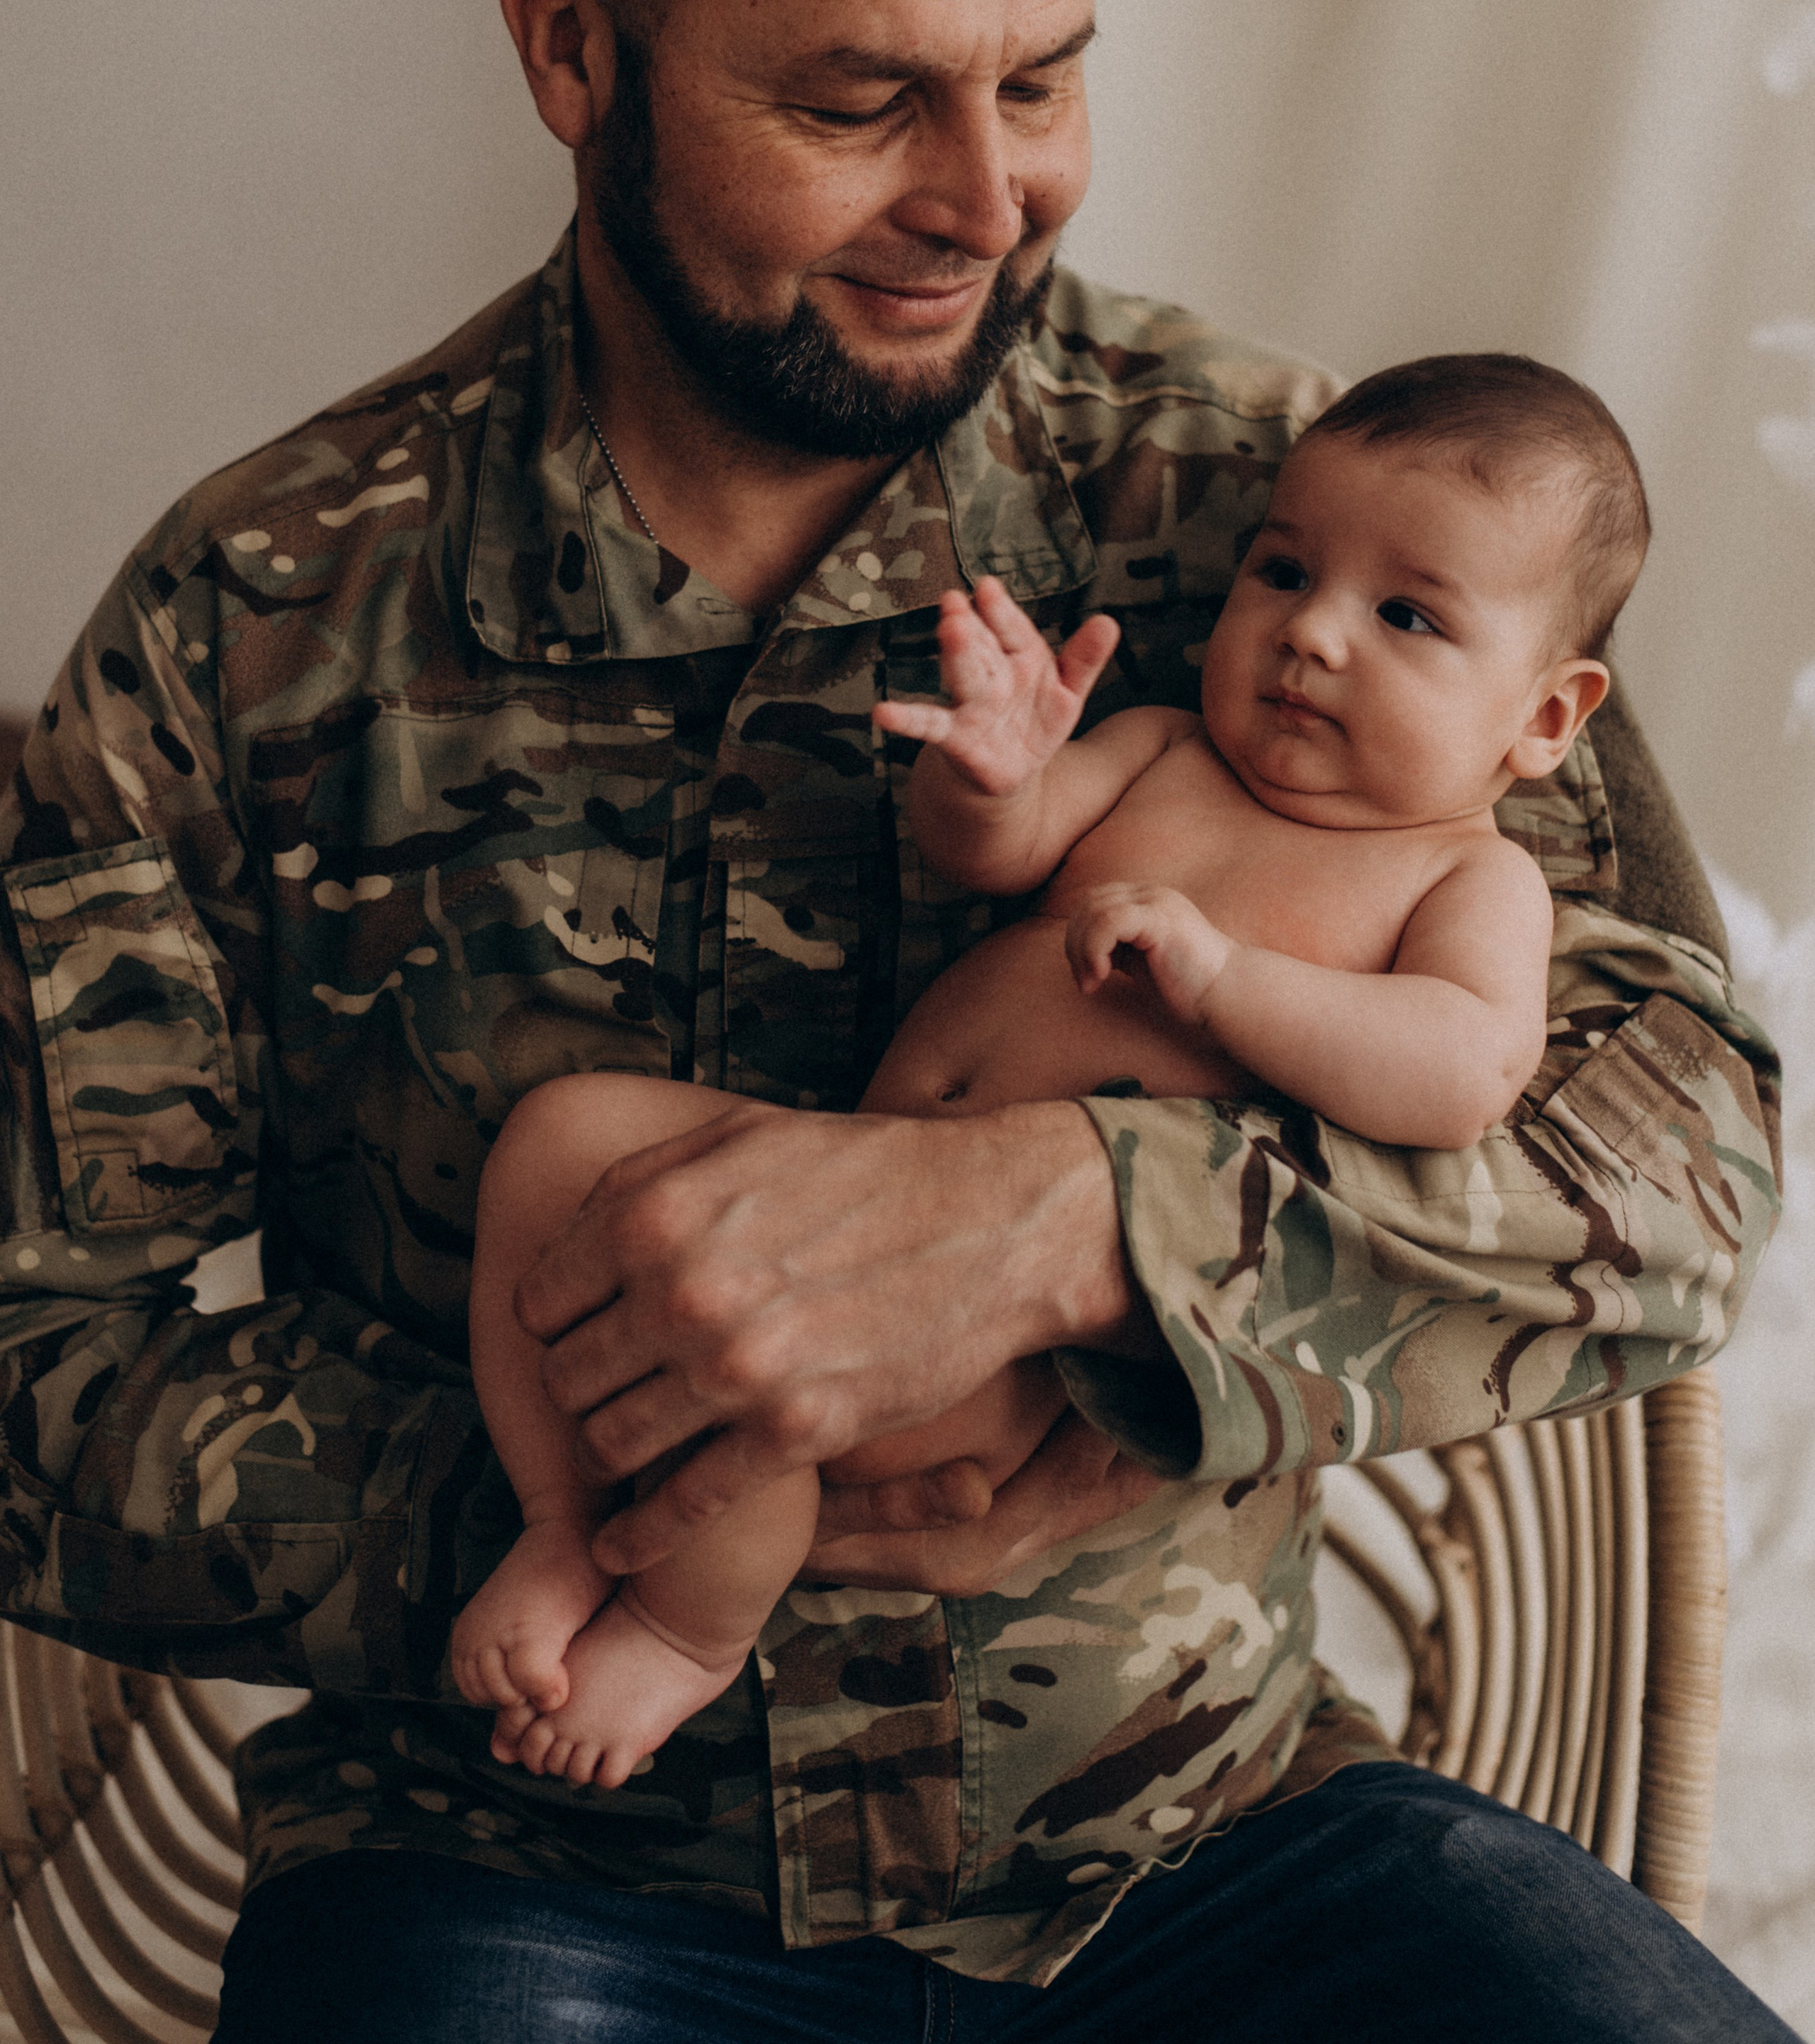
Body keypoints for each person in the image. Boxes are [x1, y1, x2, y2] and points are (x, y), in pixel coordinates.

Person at [0, 0, 1785, 2040]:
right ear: (569, 48)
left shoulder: (1282, 518)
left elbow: (1685, 1142)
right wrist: (616, 1486)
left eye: (1043, 82)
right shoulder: (256, 624)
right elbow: (28, 1353)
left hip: (1190, 1825)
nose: (986, 195)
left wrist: (1085, 1230)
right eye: (860, 103)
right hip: (527, 1843)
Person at [451, 352, 1636, 1791]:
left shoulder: (1465, 878)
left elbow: (1459, 1069)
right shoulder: (1161, 749)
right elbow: (995, 854)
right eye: (1280, 570)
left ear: (1546, 716)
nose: (1308, 633)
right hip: (827, 1177)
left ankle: (683, 1626)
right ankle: (557, 1518)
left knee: (762, 1412)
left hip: (998, 1338)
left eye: (1403, 614)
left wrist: (1227, 980)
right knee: (565, 1141)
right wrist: (989, 773)